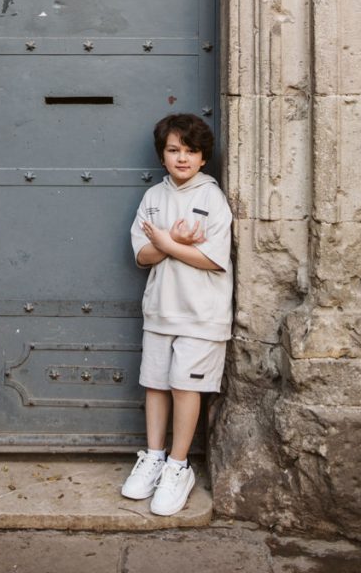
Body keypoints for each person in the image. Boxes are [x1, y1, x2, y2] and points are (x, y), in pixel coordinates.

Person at [121, 113, 233, 516]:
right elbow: (142, 255)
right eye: (173, 150)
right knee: (155, 384)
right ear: (162, 156)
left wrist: (166, 240)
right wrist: (171, 243)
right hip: (160, 312)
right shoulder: (153, 198)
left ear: (203, 158)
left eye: (190, 151)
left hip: (201, 315)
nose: (182, 158)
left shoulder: (211, 198)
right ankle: (153, 456)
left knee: (186, 387)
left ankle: (178, 464)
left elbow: (210, 259)